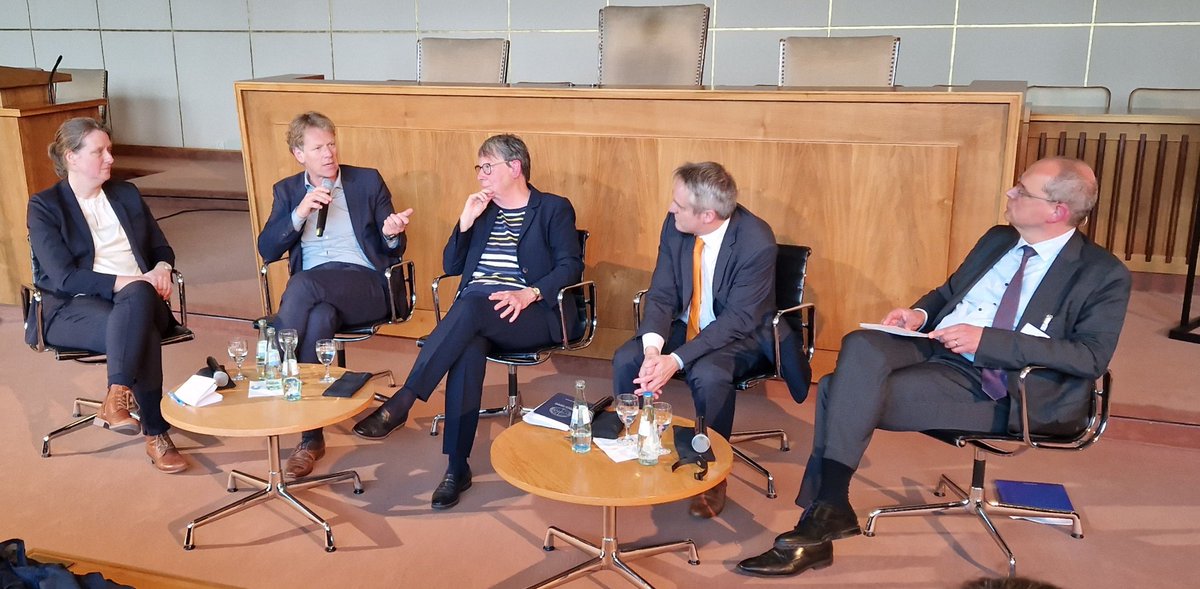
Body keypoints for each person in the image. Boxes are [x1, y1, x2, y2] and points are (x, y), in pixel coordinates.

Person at [736, 157, 1131, 576]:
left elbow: (1089, 357)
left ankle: (822, 518)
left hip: (1002, 384)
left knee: (838, 390)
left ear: (1056, 212)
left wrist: (989, 342)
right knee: (861, 345)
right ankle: (830, 508)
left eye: (1021, 190)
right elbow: (949, 293)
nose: (1009, 194)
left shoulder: (1102, 274)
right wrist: (920, 316)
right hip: (938, 345)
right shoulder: (998, 239)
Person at [353, 134, 583, 510]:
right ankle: (456, 467)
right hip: (477, 313)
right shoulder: (483, 210)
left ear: (515, 167)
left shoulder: (553, 208)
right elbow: (452, 267)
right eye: (478, 168)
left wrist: (530, 293)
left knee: (471, 310)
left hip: (531, 312)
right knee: (469, 344)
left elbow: (571, 265)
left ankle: (405, 399)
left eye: (487, 167)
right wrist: (464, 222)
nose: (480, 175)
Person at [612, 162, 812, 518]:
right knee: (627, 357)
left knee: (709, 373)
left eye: (679, 204)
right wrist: (654, 351)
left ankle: (712, 473)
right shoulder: (675, 226)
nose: (670, 208)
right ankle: (637, 444)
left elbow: (738, 320)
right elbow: (661, 293)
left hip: (743, 333)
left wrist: (675, 361)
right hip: (688, 322)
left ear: (707, 215)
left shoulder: (756, 241)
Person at [27, 117, 190, 473]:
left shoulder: (125, 194)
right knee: (140, 326)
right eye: (99, 152)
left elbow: (162, 247)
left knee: (139, 302)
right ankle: (156, 434)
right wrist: (129, 281)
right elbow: (65, 277)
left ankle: (116, 395)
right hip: (73, 308)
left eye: (109, 150)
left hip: (143, 299)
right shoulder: (45, 206)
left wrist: (161, 268)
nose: (110, 159)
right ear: (71, 157)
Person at [257, 111, 412, 479]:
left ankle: (277, 372)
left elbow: (394, 248)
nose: (328, 153)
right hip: (316, 293)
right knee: (320, 316)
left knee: (303, 286)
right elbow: (267, 249)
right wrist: (298, 215)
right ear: (299, 154)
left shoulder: (366, 181)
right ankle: (310, 438)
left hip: (367, 284)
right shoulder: (288, 190)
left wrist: (392, 232)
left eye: (331, 143)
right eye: (317, 147)